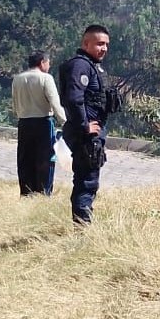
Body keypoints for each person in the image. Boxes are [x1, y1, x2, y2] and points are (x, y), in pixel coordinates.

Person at [58, 25, 120, 225]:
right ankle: (82, 227)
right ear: (86, 43)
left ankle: (83, 223)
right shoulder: (80, 66)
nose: (104, 49)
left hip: (93, 133)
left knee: (89, 180)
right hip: (85, 135)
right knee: (86, 182)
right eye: (100, 44)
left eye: (106, 44)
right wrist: (85, 126)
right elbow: (73, 99)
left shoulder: (93, 66)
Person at [12, 50, 67, 196]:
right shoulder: (46, 78)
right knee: (45, 158)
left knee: (25, 158)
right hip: (43, 122)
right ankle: (43, 191)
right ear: (42, 62)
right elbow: (55, 103)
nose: (49, 66)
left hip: (24, 122)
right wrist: (65, 122)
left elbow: (15, 103)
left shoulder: (17, 78)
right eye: (48, 63)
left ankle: (26, 191)